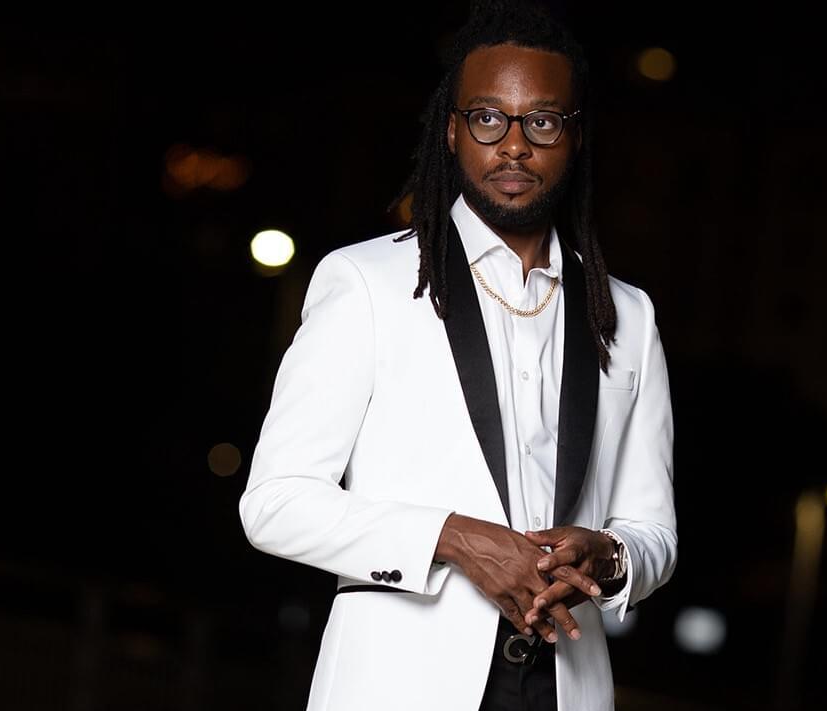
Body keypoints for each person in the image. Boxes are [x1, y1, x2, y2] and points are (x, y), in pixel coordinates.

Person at [237, 2, 677, 709]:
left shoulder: (626, 314)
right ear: (452, 130)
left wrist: (611, 555)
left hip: (564, 685)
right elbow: (275, 502)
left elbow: (653, 531)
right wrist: (452, 538)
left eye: (541, 121)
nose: (514, 146)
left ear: (574, 136)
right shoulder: (367, 282)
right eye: (487, 118)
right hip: (398, 686)